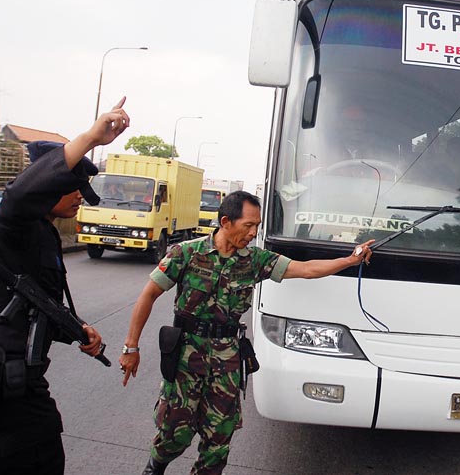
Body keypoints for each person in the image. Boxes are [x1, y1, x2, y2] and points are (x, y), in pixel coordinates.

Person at [119, 190, 374, 475]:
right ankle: (156, 465)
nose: (254, 232)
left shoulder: (253, 260)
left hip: (227, 360)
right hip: (185, 358)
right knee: (174, 433)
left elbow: (306, 269)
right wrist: (131, 347)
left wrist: (350, 260)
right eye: (248, 225)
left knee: (219, 438)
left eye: (257, 226)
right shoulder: (187, 253)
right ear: (226, 221)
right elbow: (148, 295)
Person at [0, 98, 131, 475]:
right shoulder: (12, 224)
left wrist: (77, 330)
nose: (79, 195)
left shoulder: (43, 233)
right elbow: (18, 195)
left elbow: (38, 302)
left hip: (10, 384)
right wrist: (90, 138)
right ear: (47, 186)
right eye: (72, 185)